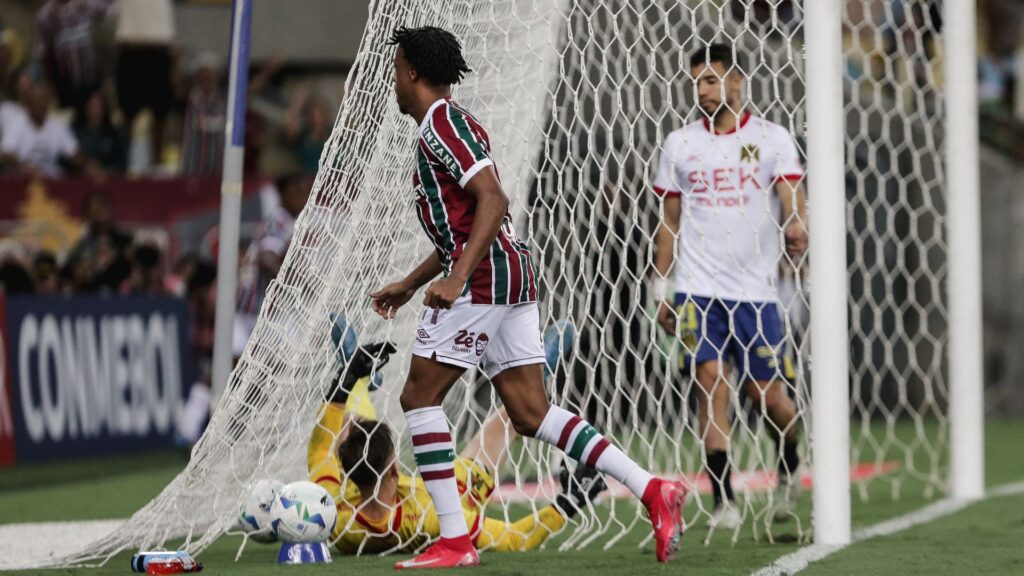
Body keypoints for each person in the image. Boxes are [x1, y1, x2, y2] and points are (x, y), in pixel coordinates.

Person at [369, 26, 686, 569]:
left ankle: (453, 540)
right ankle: (653, 489)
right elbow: (466, 223)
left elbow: (493, 199)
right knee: (529, 411)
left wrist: (456, 278)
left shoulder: (441, 123)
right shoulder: (447, 126)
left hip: (487, 278)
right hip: (507, 273)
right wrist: (415, 279)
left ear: (414, 72)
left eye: (397, 68)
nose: (393, 79)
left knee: (418, 397)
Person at [651, 44, 808, 529]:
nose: (703, 90)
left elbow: (791, 196)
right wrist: (662, 287)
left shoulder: (772, 137)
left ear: (738, 81)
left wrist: (797, 226)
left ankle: (789, 461)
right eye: (697, 81)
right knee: (710, 383)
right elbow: (669, 221)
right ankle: (724, 501)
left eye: (712, 80)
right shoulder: (680, 143)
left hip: (757, 292)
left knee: (767, 396)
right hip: (698, 286)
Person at [234, 172, 309, 357]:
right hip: (254, 310)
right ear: (284, 194)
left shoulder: (284, 220)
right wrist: (295, 287)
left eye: (305, 190)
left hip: (253, 308)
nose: (304, 196)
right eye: (298, 191)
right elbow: (267, 258)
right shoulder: (280, 219)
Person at [113, 0, 175, 169]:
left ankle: (155, 163)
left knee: (161, 113)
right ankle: (123, 161)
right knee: (127, 113)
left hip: (158, 49)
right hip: (131, 49)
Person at [35, 0, 114, 110]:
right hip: (65, 84)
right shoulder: (46, 15)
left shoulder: (87, 5)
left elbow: (111, 10)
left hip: (92, 80)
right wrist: (49, 83)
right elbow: (42, 52)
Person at [0, 81, 89, 178]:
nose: (40, 104)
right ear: (29, 103)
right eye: (36, 99)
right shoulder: (16, 123)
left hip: (51, 180)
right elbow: (6, 155)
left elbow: (74, 154)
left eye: (43, 99)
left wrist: (89, 165)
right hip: (22, 180)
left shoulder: (58, 126)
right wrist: (26, 168)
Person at [73, 91, 127, 173]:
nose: (95, 111)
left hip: (107, 181)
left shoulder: (113, 134)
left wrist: (105, 171)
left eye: (98, 106)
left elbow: (121, 163)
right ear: (86, 108)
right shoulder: (75, 132)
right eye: (92, 106)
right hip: (79, 179)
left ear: (104, 109)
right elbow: (66, 160)